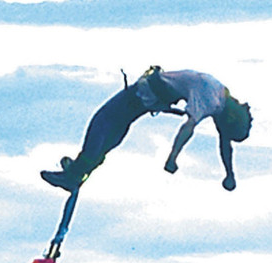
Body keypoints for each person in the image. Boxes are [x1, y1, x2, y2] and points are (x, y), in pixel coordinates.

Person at [41, 66, 252, 193]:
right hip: (143, 99)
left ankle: (75, 174)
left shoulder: (218, 97)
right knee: (110, 132)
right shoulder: (213, 100)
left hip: (139, 98)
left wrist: (228, 173)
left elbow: (199, 132)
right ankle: (79, 170)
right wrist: (228, 175)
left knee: (103, 123)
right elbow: (211, 135)